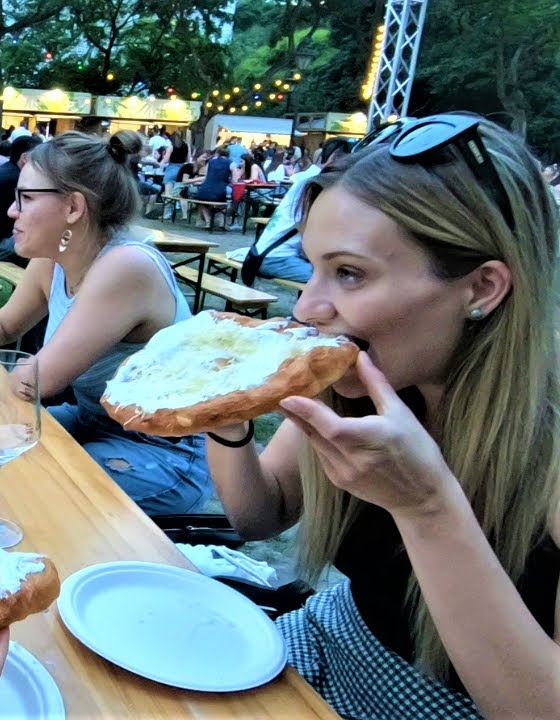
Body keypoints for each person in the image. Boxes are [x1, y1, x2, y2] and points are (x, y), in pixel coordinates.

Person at [207, 114, 559, 719]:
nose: (309, 307)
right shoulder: (359, 384)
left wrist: (426, 506)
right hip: (324, 644)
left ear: (482, 288)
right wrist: (227, 412)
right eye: (311, 268)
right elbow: (258, 515)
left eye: (349, 274)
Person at [0, 131, 214, 516]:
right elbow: (3, 325)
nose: (11, 211)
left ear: (74, 207)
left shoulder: (125, 267)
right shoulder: (55, 256)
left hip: (161, 453)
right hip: (95, 422)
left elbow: (35, 379)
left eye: (25, 198)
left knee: (18, 486)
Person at [248, 137, 354, 283]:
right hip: (276, 258)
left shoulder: (307, 178)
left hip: (264, 253)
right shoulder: (317, 184)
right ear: (335, 158)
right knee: (334, 282)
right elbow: (307, 228)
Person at [0, 135, 43, 266]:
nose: (44, 161)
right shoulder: (15, 179)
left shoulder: (6, 171)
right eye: (40, 156)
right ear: (25, 158)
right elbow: (17, 221)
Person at [193, 147, 232, 228]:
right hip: (220, 191)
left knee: (200, 201)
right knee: (226, 200)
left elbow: (207, 176)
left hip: (204, 191)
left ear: (217, 153)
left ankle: (208, 221)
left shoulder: (211, 162)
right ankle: (222, 222)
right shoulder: (230, 163)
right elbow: (234, 180)